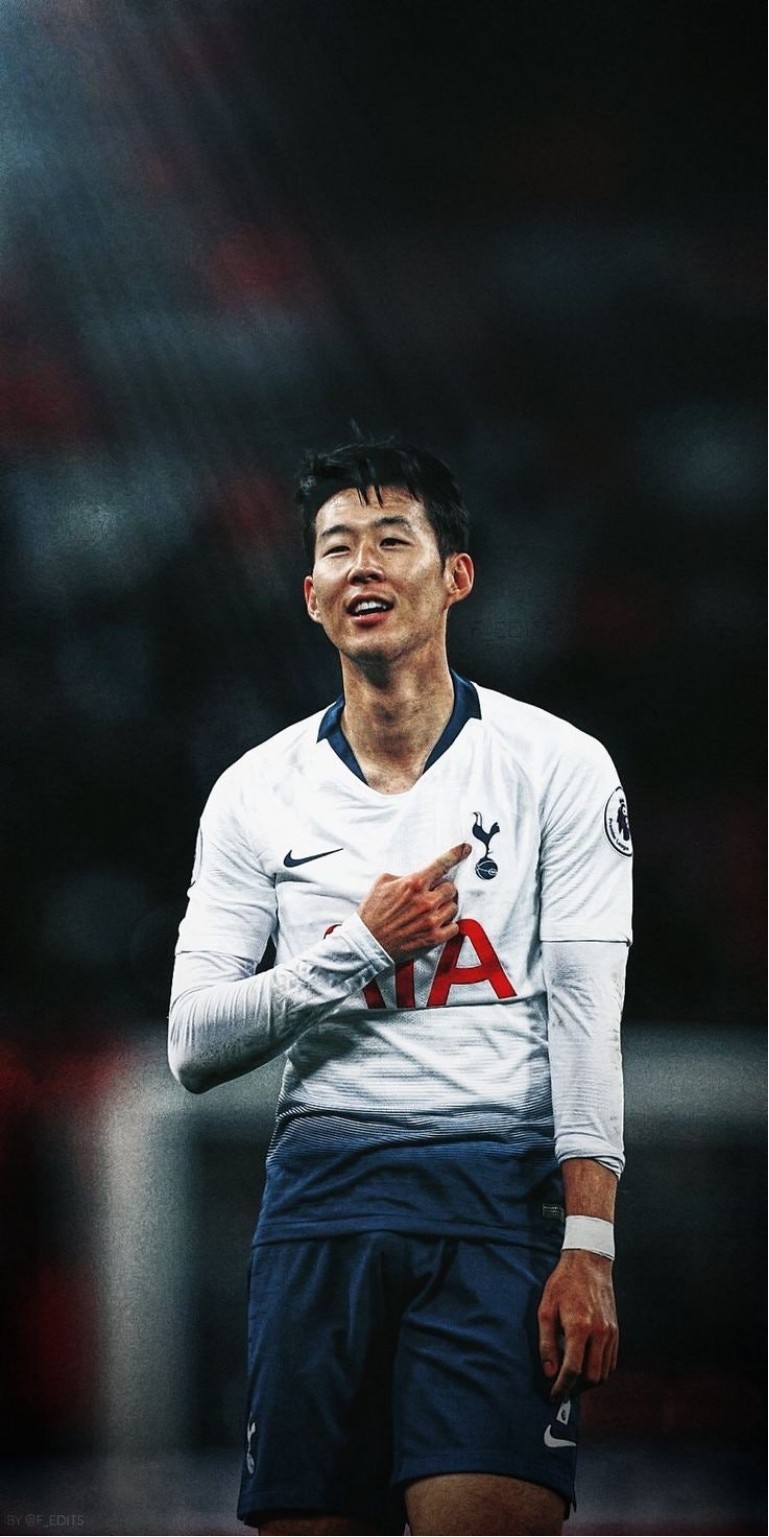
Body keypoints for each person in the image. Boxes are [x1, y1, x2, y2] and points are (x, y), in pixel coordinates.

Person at [168, 436, 632, 1536]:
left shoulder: (559, 766)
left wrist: (590, 1243)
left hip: (496, 1208)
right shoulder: (253, 792)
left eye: (390, 538)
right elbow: (192, 1046)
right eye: (336, 547)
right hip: (320, 1207)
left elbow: (584, 1012)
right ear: (311, 595)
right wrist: (359, 948)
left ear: (454, 575)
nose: (361, 564)